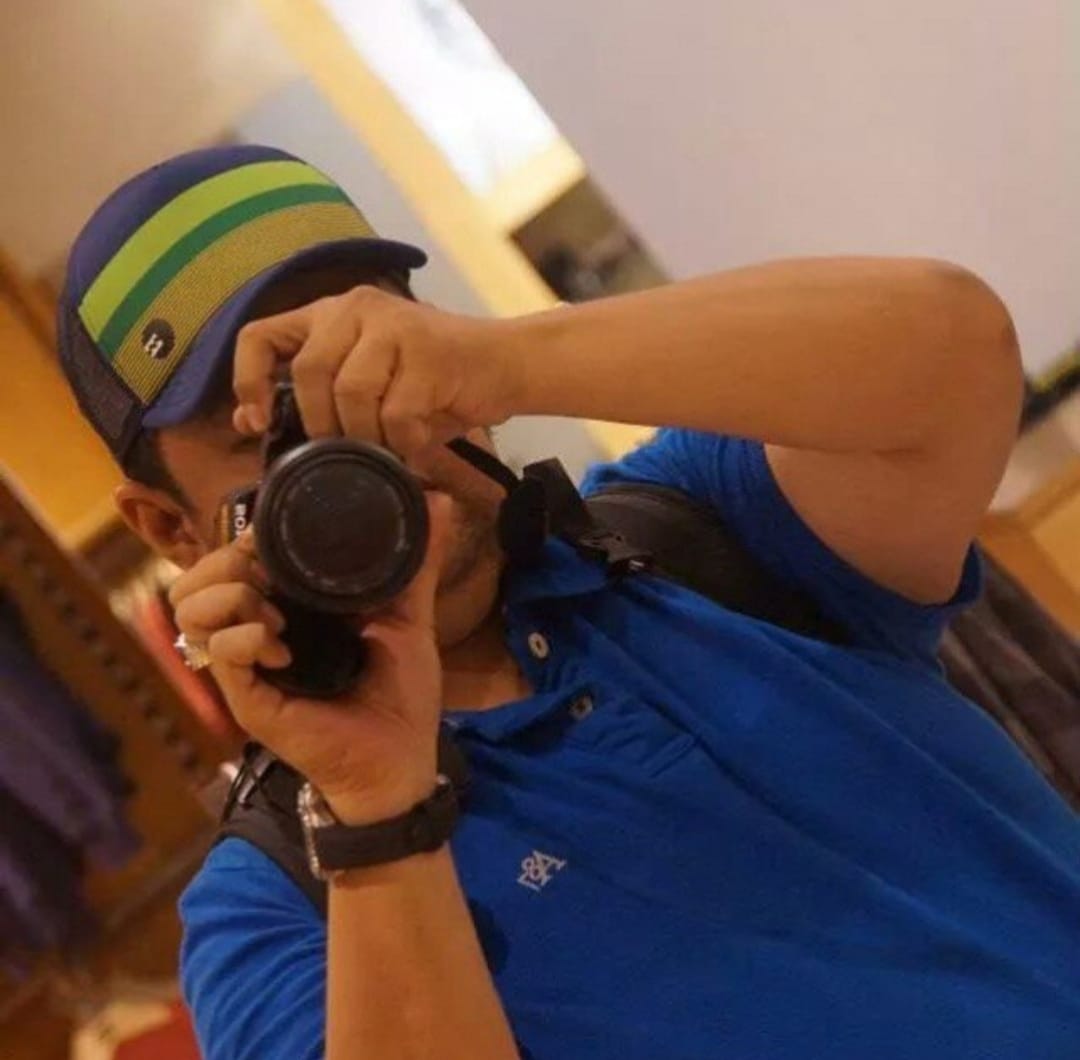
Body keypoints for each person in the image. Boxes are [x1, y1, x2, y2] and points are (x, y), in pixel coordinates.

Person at [58, 145, 1080, 1060]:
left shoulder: (700, 530)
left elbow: (962, 348)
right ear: (172, 529)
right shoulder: (276, 907)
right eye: (272, 424)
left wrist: (507, 361)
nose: (358, 432)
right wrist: (377, 812)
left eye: (364, 359)